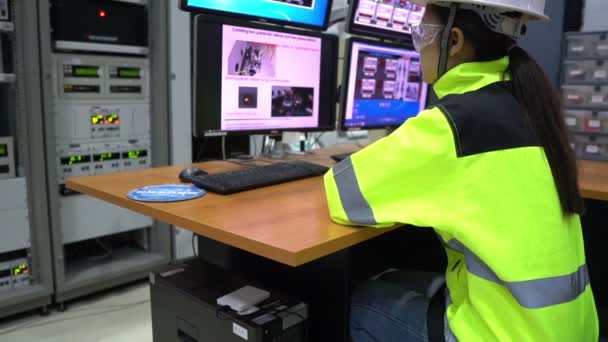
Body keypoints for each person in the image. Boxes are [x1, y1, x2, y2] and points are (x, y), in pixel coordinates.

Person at [323, 0, 599, 341]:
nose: (418, 44)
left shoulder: (453, 125)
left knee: (362, 299)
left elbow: (342, 195)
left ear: (453, 42)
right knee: (398, 277)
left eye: (422, 32)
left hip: (501, 335)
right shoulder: (527, 103)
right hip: (567, 330)